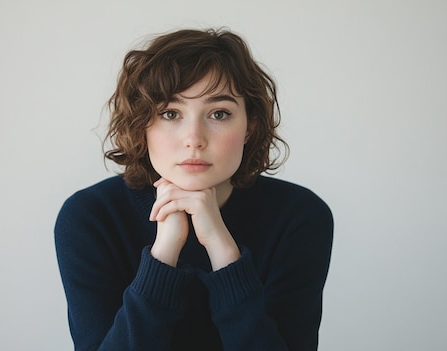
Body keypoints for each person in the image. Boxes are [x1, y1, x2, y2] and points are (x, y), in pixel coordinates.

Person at [54, 28, 333, 351]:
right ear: (141, 124)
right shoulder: (90, 217)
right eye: (170, 113)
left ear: (249, 126)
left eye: (219, 114)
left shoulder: (299, 216)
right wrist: (163, 255)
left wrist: (223, 251)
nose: (194, 138)